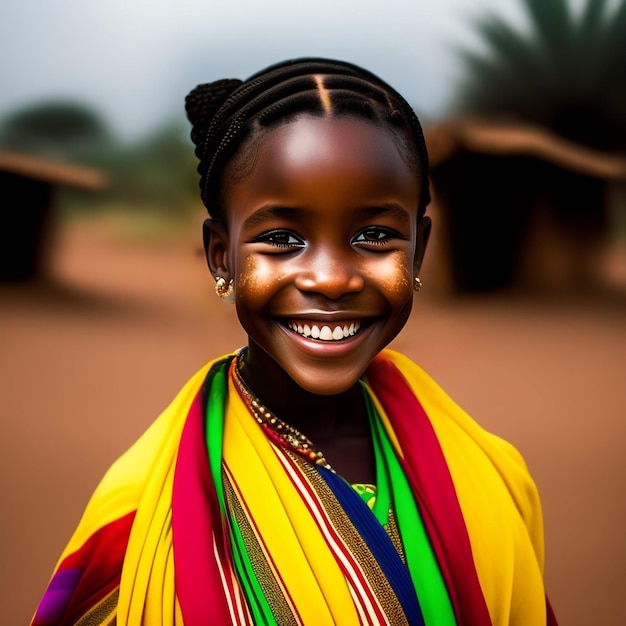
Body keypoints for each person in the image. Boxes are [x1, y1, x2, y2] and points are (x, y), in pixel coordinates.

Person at [31, 58, 557, 626]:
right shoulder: (136, 515)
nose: (330, 279)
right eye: (281, 238)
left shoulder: (491, 475)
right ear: (220, 255)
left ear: (419, 250)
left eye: (374, 235)